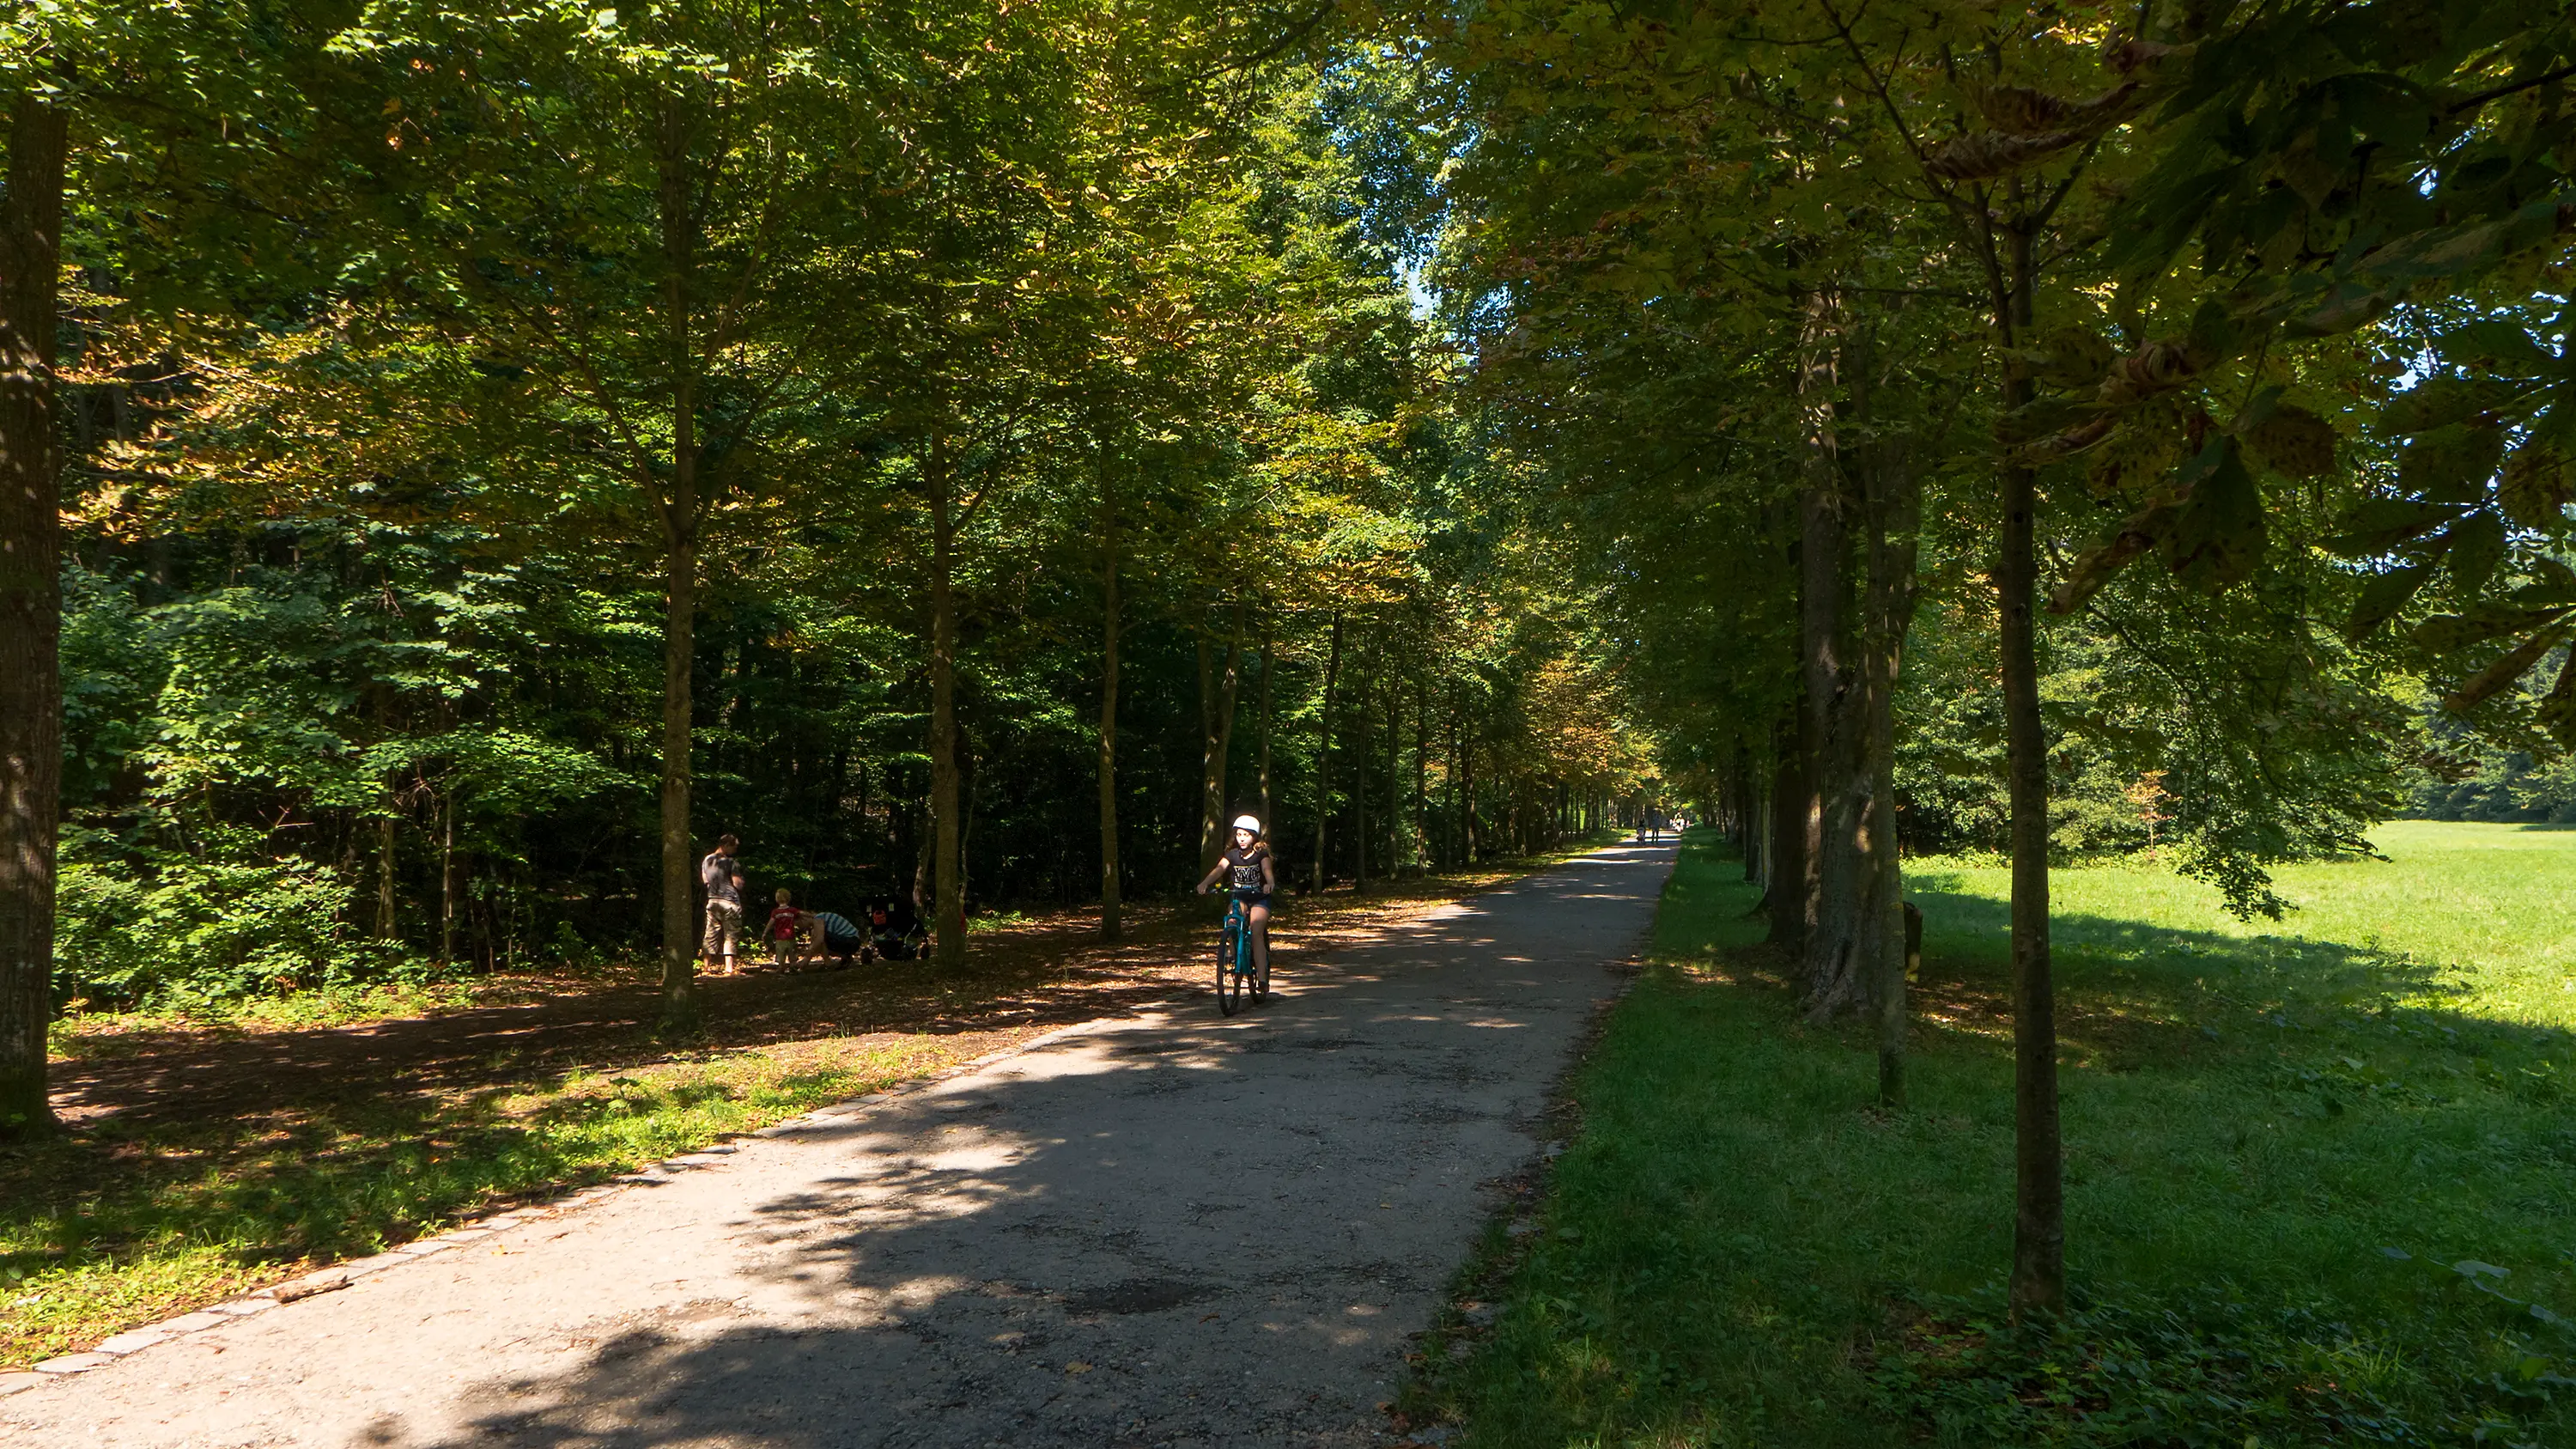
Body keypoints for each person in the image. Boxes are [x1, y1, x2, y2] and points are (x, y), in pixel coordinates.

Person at [1195, 813, 1275, 981]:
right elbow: (1219, 869)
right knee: (1231, 923)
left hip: (1259, 898)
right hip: (1240, 897)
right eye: (1239, 835)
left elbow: (1267, 870)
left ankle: (1262, 978)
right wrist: (1205, 883)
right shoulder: (1232, 855)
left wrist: (1269, 883)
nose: (1242, 839)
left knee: (1256, 931)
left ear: (1253, 836)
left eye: (1246, 835)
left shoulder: (1261, 855)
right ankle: (1235, 959)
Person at [700, 834, 745, 976]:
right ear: (726, 845)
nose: (735, 850)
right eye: (734, 847)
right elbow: (738, 884)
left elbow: (705, 880)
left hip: (712, 901)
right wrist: (742, 881)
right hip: (729, 902)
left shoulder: (707, 860)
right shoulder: (732, 863)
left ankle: (706, 968)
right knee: (731, 934)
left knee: (711, 933)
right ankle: (729, 969)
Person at [765, 888, 811, 968]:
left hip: (780, 938)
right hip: (791, 937)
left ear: (777, 899)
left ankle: (781, 969)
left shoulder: (775, 912)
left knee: (781, 957)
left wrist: (765, 932)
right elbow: (802, 913)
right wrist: (813, 915)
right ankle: (793, 968)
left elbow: (770, 923)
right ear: (788, 898)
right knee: (792, 956)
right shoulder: (792, 910)